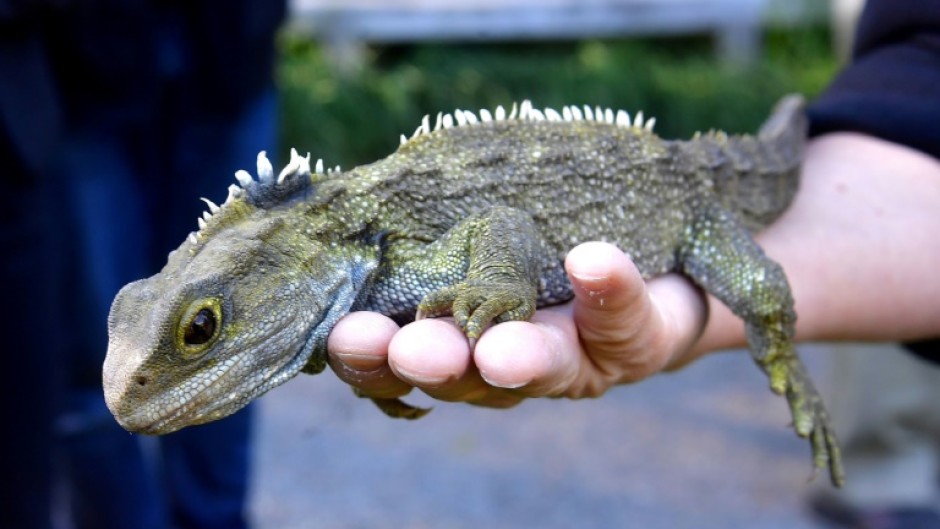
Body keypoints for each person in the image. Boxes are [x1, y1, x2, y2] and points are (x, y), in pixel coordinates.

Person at [325, 0, 940, 526]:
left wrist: (777, 353)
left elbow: (497, 231)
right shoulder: (362, 253)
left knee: (761, 290)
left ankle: (789, 370)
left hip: (681, 195)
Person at [1, 1, 285, 528]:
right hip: (81, 82)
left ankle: (218, 521)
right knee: (98, 366)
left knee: (231, 335)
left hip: (227, 61)